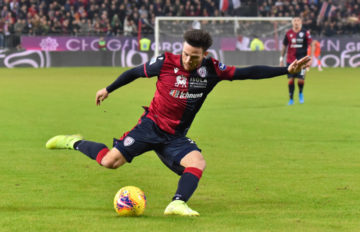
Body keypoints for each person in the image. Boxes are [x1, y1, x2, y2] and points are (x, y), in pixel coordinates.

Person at [46, 29, 310, 216]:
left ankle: (177, 203)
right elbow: (134, 73)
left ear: (205, 54)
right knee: (109, 162)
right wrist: (108, 88)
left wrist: (286, 70)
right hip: (150, 126)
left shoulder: (212, 70)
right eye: (185, 53)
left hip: (176, 136)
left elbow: (247, 73)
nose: (188, 59)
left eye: (194, 56)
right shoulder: (165, 62)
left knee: (197, 163)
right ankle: (74, 142)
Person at [280, 17, 313, 105]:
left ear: (301, 22)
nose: (296, 22)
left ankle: (300, 93)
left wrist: (310, 59)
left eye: (298, 21)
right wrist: (281, 59)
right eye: (294, 21)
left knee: (300, 80)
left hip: (302, 61)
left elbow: (311, 45)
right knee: (291, 80)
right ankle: (291, 99)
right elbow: (284, 46)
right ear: (292, 23)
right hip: (290, 61)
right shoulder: (288, 33)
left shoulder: (305, 32)